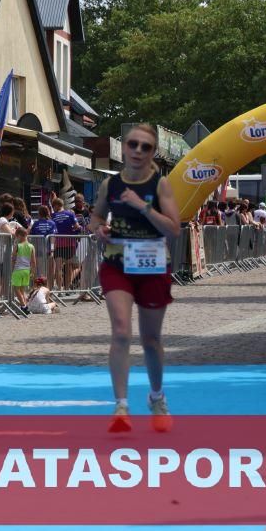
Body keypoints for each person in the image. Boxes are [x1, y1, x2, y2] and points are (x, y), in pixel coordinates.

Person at [89, 123, 181, 433]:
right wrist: (99, 229)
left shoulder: (160, 184)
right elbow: (95, 216)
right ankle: (121, 405)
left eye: (146, 147)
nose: (138, 151)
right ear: (124, 148)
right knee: (121, 331)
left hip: (153, 266)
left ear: (153, 152)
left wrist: (143, 207)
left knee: (151, 340)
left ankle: (157, 397)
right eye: (133, 144)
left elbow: (174, 229)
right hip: (117, 264)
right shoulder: (110, 184)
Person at [50, 197, 81, 290]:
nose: (53, 208)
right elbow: (77, 226)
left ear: (56, 205)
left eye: (53, 206)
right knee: (68, 267)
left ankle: (59, 289)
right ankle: (67, 289)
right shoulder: (70, 214)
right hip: (70, 243)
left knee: (58, 268)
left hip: (58, 244)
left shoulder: (53, 216)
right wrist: (71, 230)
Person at [11, 227, 36, 312]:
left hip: (18, 270)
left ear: (19, 236)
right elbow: (33, 261)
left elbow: (13, 258)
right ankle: (25, 306)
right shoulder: (31, 246)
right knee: (22, 289)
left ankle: (23, 305)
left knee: (16, 289)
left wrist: (12, 268)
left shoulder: (17, 246)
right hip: (27, 270)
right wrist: (32, 272)